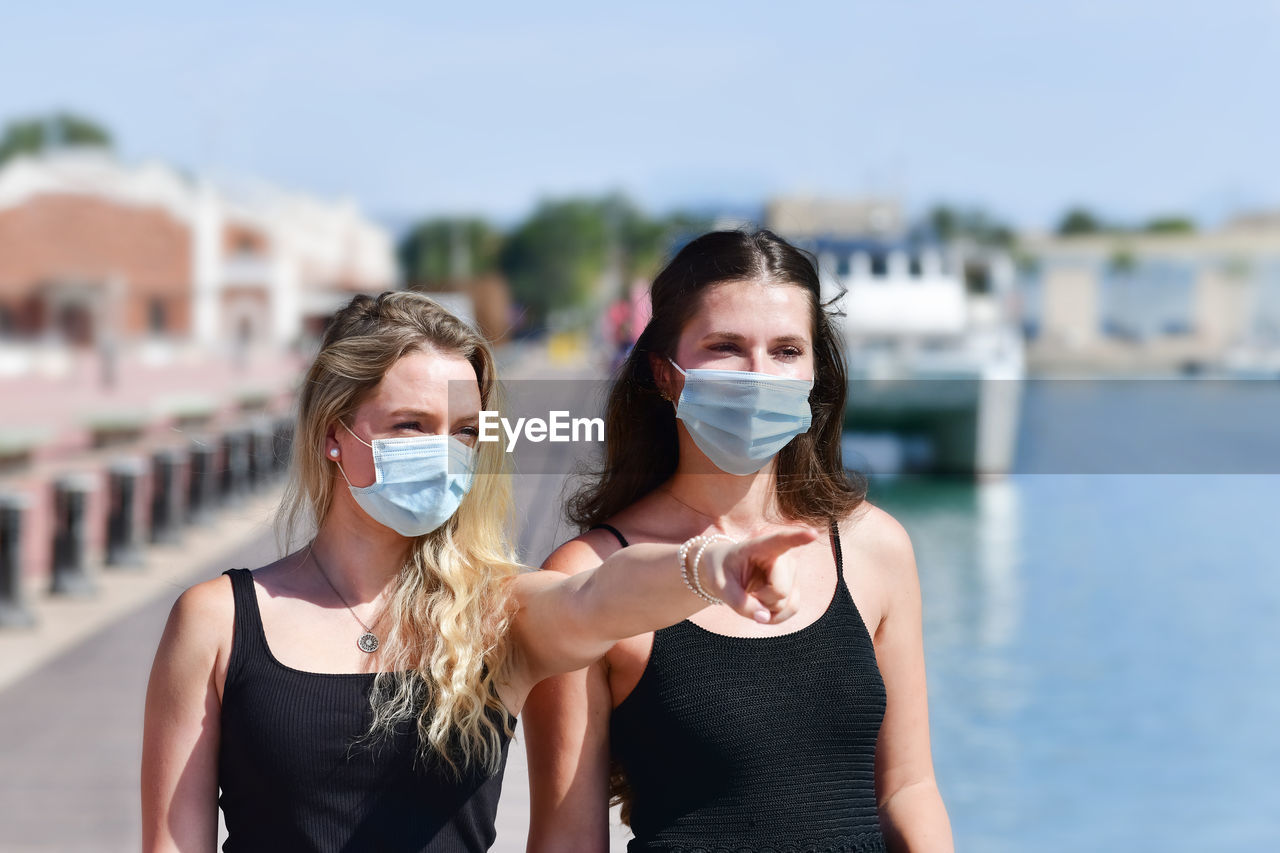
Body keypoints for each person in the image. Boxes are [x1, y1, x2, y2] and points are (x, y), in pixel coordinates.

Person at [140, 290, 815, 853]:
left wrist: (705, 563)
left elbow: (595, 597)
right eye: (410, 424)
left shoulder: (494, 613)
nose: (442, 452)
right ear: (332, 431)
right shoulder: (219, 619)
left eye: (465, 430)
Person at [523, 230, 955, 852]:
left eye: (785, 351)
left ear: (814, 373)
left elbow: (908, 789)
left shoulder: (875, 548)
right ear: (664, 374)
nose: (759, 376)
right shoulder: (589, 575)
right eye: (725, 347)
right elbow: (568, 838)